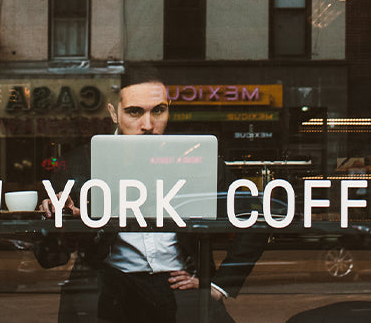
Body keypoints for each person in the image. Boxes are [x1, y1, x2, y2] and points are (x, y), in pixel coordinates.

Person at [40, 72, 259, 323]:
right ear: (114, 113)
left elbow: (255, 215)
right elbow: (49, 258)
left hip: (181, 290)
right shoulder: (79, 164)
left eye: (158, 111)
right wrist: (60, 222)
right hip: (111, 292)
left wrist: (220, 285)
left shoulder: (195, 158)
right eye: (134, 112)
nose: (147, 124)